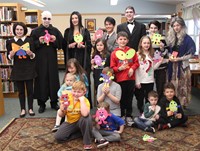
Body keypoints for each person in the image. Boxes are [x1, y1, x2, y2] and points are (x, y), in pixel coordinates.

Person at [30, 11, 63, 113]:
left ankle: (54, 102)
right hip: (40, 61)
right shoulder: (35, 31)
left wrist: (55, 40)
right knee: (41, 80)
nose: (46, 21)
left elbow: (61, 45)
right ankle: (42, 103)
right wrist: (38, 41)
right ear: (41, 18)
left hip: (52, 60)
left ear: (51, 19)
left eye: (48, 19)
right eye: (45, 18)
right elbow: (31, 46)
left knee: (53, 80)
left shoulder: (55, 30)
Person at [6, 22, 36, 117]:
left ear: (24, 30)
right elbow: (8, 57)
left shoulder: (29, 40)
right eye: (17, 29)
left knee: (30, 90)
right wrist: (10, 55)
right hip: (18, 69)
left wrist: (31, 54)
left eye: (21, 29)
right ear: (14, 30)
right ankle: (23, 109)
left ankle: (30, 108)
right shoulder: (10, 41)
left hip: (28, 68)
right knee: (21, 91)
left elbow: (34, 55)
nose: (19, 31)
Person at [110, 31, 139, 124]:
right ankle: (122, 114)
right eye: (120, 39)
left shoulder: (132, 51)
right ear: (117, 40)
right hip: (120, 79)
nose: (122, 41)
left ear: (127, 40)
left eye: (124, 39)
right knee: (121, 98)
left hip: (131, 79)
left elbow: (136, 63)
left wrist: (132, 69)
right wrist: (119, 68)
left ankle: (129, 115)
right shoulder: (114, 53)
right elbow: (112, 67)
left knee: (130, 97)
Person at [54, 81, 93, 150]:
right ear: (71, 90)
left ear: (84, 92)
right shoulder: (67, 98)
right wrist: (61, 109)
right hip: (70, 122)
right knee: (58, 137)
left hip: (81, 121)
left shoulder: (85, 100)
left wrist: (82, 101)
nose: (76, 94)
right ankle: (80, 133)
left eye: (79, 92)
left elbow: (85, 114)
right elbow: (61, 115)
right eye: (74, 91)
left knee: (87, 117)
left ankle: (87, 142)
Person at [167, 16, 196, 108]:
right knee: (172, 84)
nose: (176, 27)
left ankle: (182, 104)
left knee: (182, 85)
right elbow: (167, 51)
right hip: (172, 66)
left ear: (182, 26)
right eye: (174, 26)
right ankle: (172, 103)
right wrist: (169, 56)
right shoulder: (171, 37)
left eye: (178, 25)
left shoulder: (188, 39)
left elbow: (191, 53)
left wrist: (179, 59)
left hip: (182, 66)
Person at [135, 36, 163, 113]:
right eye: (144, 43)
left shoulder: (152, 54)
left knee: (148, 98)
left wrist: (159, 62)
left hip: (150, 80)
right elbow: (136, 69)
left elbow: (153, 68)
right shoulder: (137, 54)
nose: (146, 45)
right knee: (140, 98)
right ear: (141, 44)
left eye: (148, 43)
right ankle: (141, 112)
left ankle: (147, 112)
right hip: (140, 80)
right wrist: (137, 81)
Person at [62, 11, 92, 75]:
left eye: (76, 18)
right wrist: (69, 46)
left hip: (82, 57)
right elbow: (63, 45)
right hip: (71, 56)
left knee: (82, 76)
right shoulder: (67, 31)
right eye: (72, 18)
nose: (74, 20)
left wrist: (83, 46)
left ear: (79, 19)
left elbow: (89, 46)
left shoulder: (85, 31)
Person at [148, 20, 169, 100]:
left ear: (158, 29)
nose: (153, 30)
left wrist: (162, 49)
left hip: (161, 66)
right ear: (149, 29)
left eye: (155, 28)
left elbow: (166, 53)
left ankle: (160, 102)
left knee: (160, 85)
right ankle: (149, 103)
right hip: (149, 66)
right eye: (151, 28)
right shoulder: (147, 39)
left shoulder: (163, 38)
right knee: (149, 85)